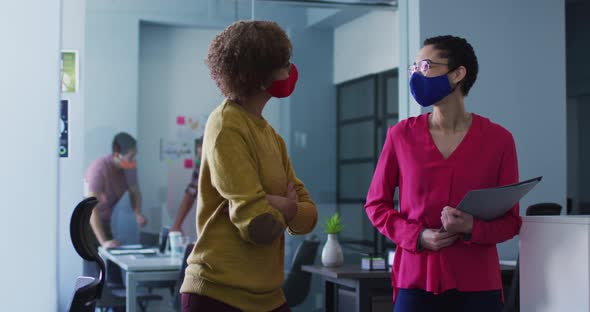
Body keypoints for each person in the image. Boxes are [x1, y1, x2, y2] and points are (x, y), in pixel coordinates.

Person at [364, 35, 522, 312]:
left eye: (425, 66)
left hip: (478, 285)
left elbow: (511, 222)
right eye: (413, 68)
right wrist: (418, 236)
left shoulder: (499, 140)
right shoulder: (400, 135)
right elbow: (376, 205)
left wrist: (471, 227)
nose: (416, 75)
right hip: (416, 281)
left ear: (458, 74)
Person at [180, 20, 318, 312]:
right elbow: (257, 226)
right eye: (283, 64)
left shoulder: (271, 136)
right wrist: (285, 207)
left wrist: (278, 204)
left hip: (269, 295)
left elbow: (308, 216)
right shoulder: (225, 124)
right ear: (258, 75)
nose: (289, 71)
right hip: (218, 295)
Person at [84, 132, 147, 249]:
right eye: (131, 157)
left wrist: (137, 213)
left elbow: (135, 192)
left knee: (110, 260)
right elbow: (91, 208)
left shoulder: (129, 167)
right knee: (95, 262)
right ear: (117, 155)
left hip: (105, 222)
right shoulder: (99, 168)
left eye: (134, 156)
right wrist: (103, 242)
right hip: (87, 223)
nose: (133, 161)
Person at [170, 137, 203, 233]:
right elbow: (191, 191)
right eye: (199, 158)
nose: (199, 162)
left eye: (203, 158)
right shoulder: (200, 166)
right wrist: (177, 225)